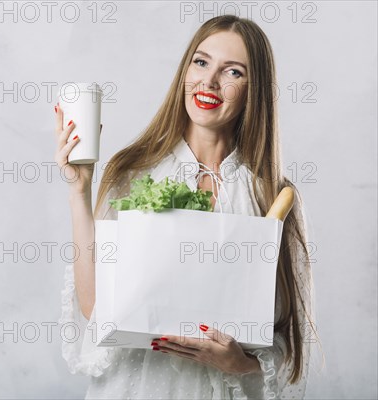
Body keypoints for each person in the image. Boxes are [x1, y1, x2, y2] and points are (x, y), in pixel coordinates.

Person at [53, 15, 319, 399]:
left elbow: (293, 346)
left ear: (254, 90)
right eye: (201, 62)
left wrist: (240, 363)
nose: (209, 82)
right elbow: (96, 309)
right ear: (185, 70)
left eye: (233, 72)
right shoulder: (132, 171)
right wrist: (79, 192)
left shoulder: (273, 197)